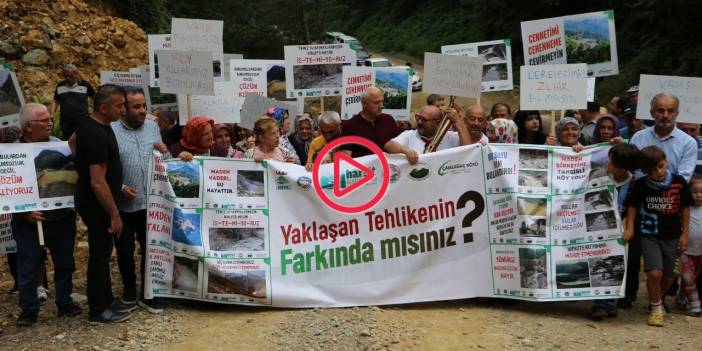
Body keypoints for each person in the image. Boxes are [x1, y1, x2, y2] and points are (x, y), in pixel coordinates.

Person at [12, 104, 81, 326]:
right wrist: (24, 213)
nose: (50, 121)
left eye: (50, 118)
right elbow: (6, 191)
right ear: (29, 127)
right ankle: (29, 309)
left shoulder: (60, 146)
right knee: (29, 266)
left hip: (61, 218)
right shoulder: (10, 154)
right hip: (28, 222)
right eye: (44, 119)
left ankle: (64, 302)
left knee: (64, 262)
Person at [74, 84, 129, 323]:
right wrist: (114, 214)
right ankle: (97, 309)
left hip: (94, 200)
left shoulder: (91, 124)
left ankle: (106, 299)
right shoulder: (96, 133)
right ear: (104, 108)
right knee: (100, 255)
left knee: (104, 252)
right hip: (97, 204)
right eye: (119, 105)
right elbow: (98, 182)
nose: (123, 110)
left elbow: (72, 141)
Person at [111, 88, 167, 314]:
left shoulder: (153, 128)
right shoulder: (111, 131)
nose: (142, 110)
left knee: (150, 249)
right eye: (136, 106)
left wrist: (166, 152)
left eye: (144, 105)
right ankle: (129, 292)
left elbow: (162, 160)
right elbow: (105, 167)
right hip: (123, 205)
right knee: (124, 250)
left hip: (150, 202)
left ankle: (148, 294)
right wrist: (121, 187)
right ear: (123, 108)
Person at [623, 145, 693, 327]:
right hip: (649, 234)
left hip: (672, 235)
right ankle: (656, 309)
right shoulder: (641, 185)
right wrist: (630, 228)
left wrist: (685, 234)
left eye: (662, 166)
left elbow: (685, 208)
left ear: (666, 162)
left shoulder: (678, 182)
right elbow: (632, 207)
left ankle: (656, 299)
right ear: (646, 171)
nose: (659, 172)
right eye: (653, 170)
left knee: (668, 278)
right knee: (654, 273)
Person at [591, 143, 640, 320]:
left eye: (614, 163)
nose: (609, 164)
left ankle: (610, 301)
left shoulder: (634, 183)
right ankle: (599, 303)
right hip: (599, 228)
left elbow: (631, 207)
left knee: (615, 264)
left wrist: (627, 228)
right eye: (609, 159)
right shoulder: (599, 175)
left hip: (621, 229)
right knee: (599, 262)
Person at [630, 93, 697, 182]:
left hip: (673, 193)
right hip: (642, 191)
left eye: (670, 111)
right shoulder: (638, 137)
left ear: (676, 114)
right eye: (661, 111)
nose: (665, 115)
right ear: (652, 113)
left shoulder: (688, 142)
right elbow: (634, 170)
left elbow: (683, 177)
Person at [386, 105, 470, 156]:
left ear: (437, 122)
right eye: (418, 117)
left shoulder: (450, 136)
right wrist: (405, 150)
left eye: (424, 120)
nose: (419, 122)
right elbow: (388, 146)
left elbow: (469, 149)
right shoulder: (409, 135)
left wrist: (458, 122)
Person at [341, 86, 401, 157]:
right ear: (364, 104)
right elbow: (345, 158)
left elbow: (399, 145)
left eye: (382, 101)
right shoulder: (349, 126)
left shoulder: (389, 120)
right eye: (377, 103)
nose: (381, 106)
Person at [50, 64, 95, 140]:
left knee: (83, 141)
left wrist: (95, 113)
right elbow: (56, 100)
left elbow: (95, 97)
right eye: (65, 76)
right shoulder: (60, 85)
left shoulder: (85, 85)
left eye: (70, 76)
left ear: (75, 73)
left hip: (82, 120)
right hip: (66, 122)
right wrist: (52, 114)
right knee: (68, 142)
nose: (67, 78)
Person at [679, 174, 702, 317]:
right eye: (695, 192)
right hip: (686, 251)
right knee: (688, 278)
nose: (699, 195)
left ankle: (681, 294)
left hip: (700, 252)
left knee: (694, 277)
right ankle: (695, 305)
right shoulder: (685, 209)